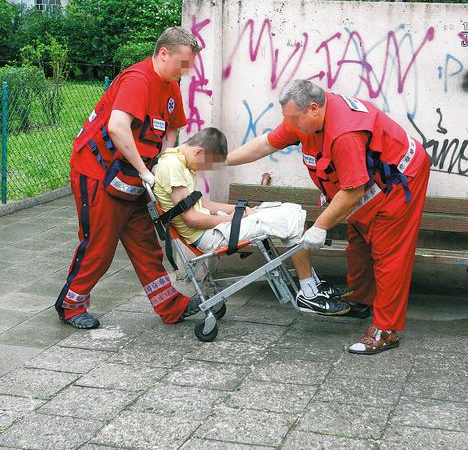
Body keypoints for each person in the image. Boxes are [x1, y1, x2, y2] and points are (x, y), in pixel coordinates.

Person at [227, 80, 431, 355]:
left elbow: (352, 191)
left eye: (294, 120)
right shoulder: (302, 117)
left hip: (400, 179)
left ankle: (387, 330)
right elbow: (264, 144)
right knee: (358, 240)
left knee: (389, 253)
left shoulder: (344, 133)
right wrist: (221, 161)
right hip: (368, 182)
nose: (290, 126)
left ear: (313, 109)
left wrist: (320, 226)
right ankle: (360, 299)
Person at [56, 27, 205, 329]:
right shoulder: (138, 80)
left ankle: (170, 306)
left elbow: (172, 129)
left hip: (132, 176)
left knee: (145, 242)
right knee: (99, 245)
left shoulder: (169, 84)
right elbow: (117, 127)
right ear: (164, 54)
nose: (186, 72)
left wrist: (160, 166)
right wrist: (145, 171)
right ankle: (70, 305)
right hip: (97, 173)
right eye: (183, 64)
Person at [151, 127, 351, 316]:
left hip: (215, 227)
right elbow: (193, 219)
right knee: (291, 219)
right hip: (210, 235)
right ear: (198, 152)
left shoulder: (180, 162)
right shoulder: (173, 167)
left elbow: (202, 204)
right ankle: (308, 293)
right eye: (207, 164)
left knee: (292, 210)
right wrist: (229, 218)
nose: (206, 170)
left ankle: (311, 284)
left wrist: (240, 209)